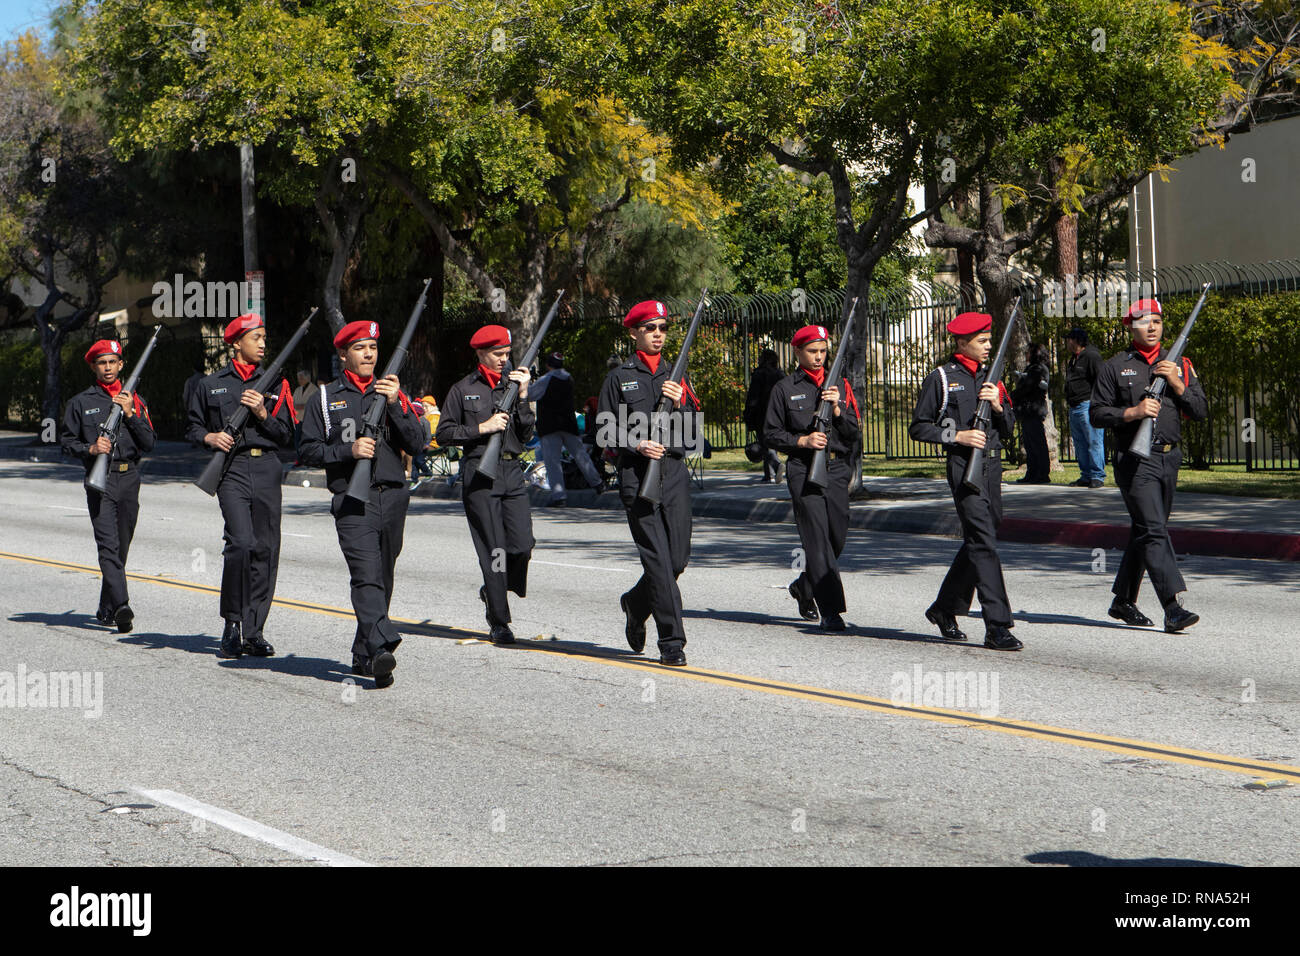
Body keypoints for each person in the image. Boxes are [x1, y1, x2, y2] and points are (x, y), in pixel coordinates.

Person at [298, 319, 427, 687]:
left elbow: (417, 444)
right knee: (366, 576)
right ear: (343, 355)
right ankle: (381, 647)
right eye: (360, 348)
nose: (369, 354)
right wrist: (347, 450)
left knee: (383, 579)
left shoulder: (392, 392)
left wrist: (396, 404)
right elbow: (306, 449)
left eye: (372, 347)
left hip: (394, 495)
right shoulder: (324, 398)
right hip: (353, 500)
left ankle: (362, 651)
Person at [1089, 298, 1207, 633]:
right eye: (1144, 321)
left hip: (1169, 458)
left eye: (1157, 320)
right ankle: (1173, 607)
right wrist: (1133, 413)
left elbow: (1199, 410)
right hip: (1135, 459)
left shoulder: (1179, 363)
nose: (1152, 327)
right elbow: (1096, 414)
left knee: (1146, 531)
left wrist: (1178, 384)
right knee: (1155, 530)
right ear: (1130, 326)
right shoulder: (1115, 366)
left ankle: (1123, 600)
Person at [596, 300, 702, 667]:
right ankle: (672, 642)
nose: (658, 335)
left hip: (672, 473)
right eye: (650, 328)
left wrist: (683, 403)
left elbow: (695, 436)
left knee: (677, 560)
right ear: (634, 333)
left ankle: (635, 602)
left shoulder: (677, 374)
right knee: (657, 561)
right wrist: (637, 443)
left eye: (663, 328)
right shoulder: (618, 377)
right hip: (637, 474)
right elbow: (604, 431)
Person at [908, 311, 1022, 651]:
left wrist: (1000, 407)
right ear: (962, 343)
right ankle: (997, 626)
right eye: (982, 341)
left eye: (989, 340)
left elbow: (1011, 429)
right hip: (963, 467)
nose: (988, 346)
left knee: (981, 537)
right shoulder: (942, 378)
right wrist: (958, 434)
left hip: (992, 467)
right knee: (984, 542)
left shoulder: (992, 377)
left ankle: (944, 608)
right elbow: (919, 427)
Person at [185, 313, 296, 659]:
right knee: (241, 544)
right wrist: (210, 437)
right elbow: (191, 428)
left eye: (264, 337)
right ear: (235, 343)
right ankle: (231, 623)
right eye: (255, 338)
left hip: (266, 468)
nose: (262, 344)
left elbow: (288, 434)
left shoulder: (277, 383)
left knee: (265, 548)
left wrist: (263, 413)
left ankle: (254, 630)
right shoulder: (211, 384)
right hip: (231, 470)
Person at [435, 325, 536, 645]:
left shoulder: (513, 384)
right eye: (497, 354)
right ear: (480, 353)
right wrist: (483, 427)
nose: (503, 360)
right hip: (479, 472)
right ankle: (499, 620)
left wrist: (523, 397)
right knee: (493, 549)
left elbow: (526, 435)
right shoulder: (463, 389)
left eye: (507, 354)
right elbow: (445, 433)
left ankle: (494, 590)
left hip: (511, 471)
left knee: (522, 544)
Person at [763, 324, 861, 631]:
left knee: (836, 538)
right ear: (797, 352)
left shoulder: (840, 385)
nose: (819, 357)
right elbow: (771, 432)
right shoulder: (784, 388)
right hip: (804, 470)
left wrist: (837, 411)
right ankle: (830, 611)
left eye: (823, 351)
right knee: (817, 541)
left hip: (835, 469)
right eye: (812, 351)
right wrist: (802, 441)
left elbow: (853, 433)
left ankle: (804, 586)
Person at [60, 339, 156, 633]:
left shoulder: (135, 400)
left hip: (130, 478)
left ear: (121, 365)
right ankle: (122, 606)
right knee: (108, 546)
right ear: (93, 367)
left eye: (113, 362)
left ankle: (107, 604)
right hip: (100, 480)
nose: (108, 367)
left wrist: (129, 413)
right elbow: (65, 442)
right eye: (102, 362)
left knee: (121, 547)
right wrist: (91, 449)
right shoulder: (80, 403)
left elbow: (150, 443)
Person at [532, 351, 603, 506]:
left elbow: (531, 394)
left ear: (548, 365)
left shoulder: (546, 379)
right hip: (569, 424)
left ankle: (559, 497)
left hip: (550, 425)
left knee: (553, 461)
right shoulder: (568, 378)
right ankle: (597, 484)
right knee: (581, 456)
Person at [1065, 328, 1106, 487]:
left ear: (1076, 340)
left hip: (1087, 403)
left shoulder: (1091, 356)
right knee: (1080, 442)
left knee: (1094, 440)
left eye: (1069, 339)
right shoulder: (1074, 359)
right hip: (1074, 405)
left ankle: (1097, 475)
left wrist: (1098, 402)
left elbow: (1100, 379)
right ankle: (1086, 474)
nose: (1067, 342)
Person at [1012, 342, 1051, 484]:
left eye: (1028, 352)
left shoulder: (1038, 369)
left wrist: (1013, 395)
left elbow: (1028, 386)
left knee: (1036, 442)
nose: (1026, 355)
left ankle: (1041, 473)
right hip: (1028, 410)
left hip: (1033, 409)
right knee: (1029, 443)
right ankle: (1032, 472)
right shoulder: (1032, 368)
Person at [745, 348, 785, 482]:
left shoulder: (759, 374)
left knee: (765, 442)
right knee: (770, 441)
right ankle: (768, 474)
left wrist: (749, 415)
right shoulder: (780, 375)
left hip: (761, 414)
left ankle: (776, 465)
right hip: (778, 413)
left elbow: (753, 397)